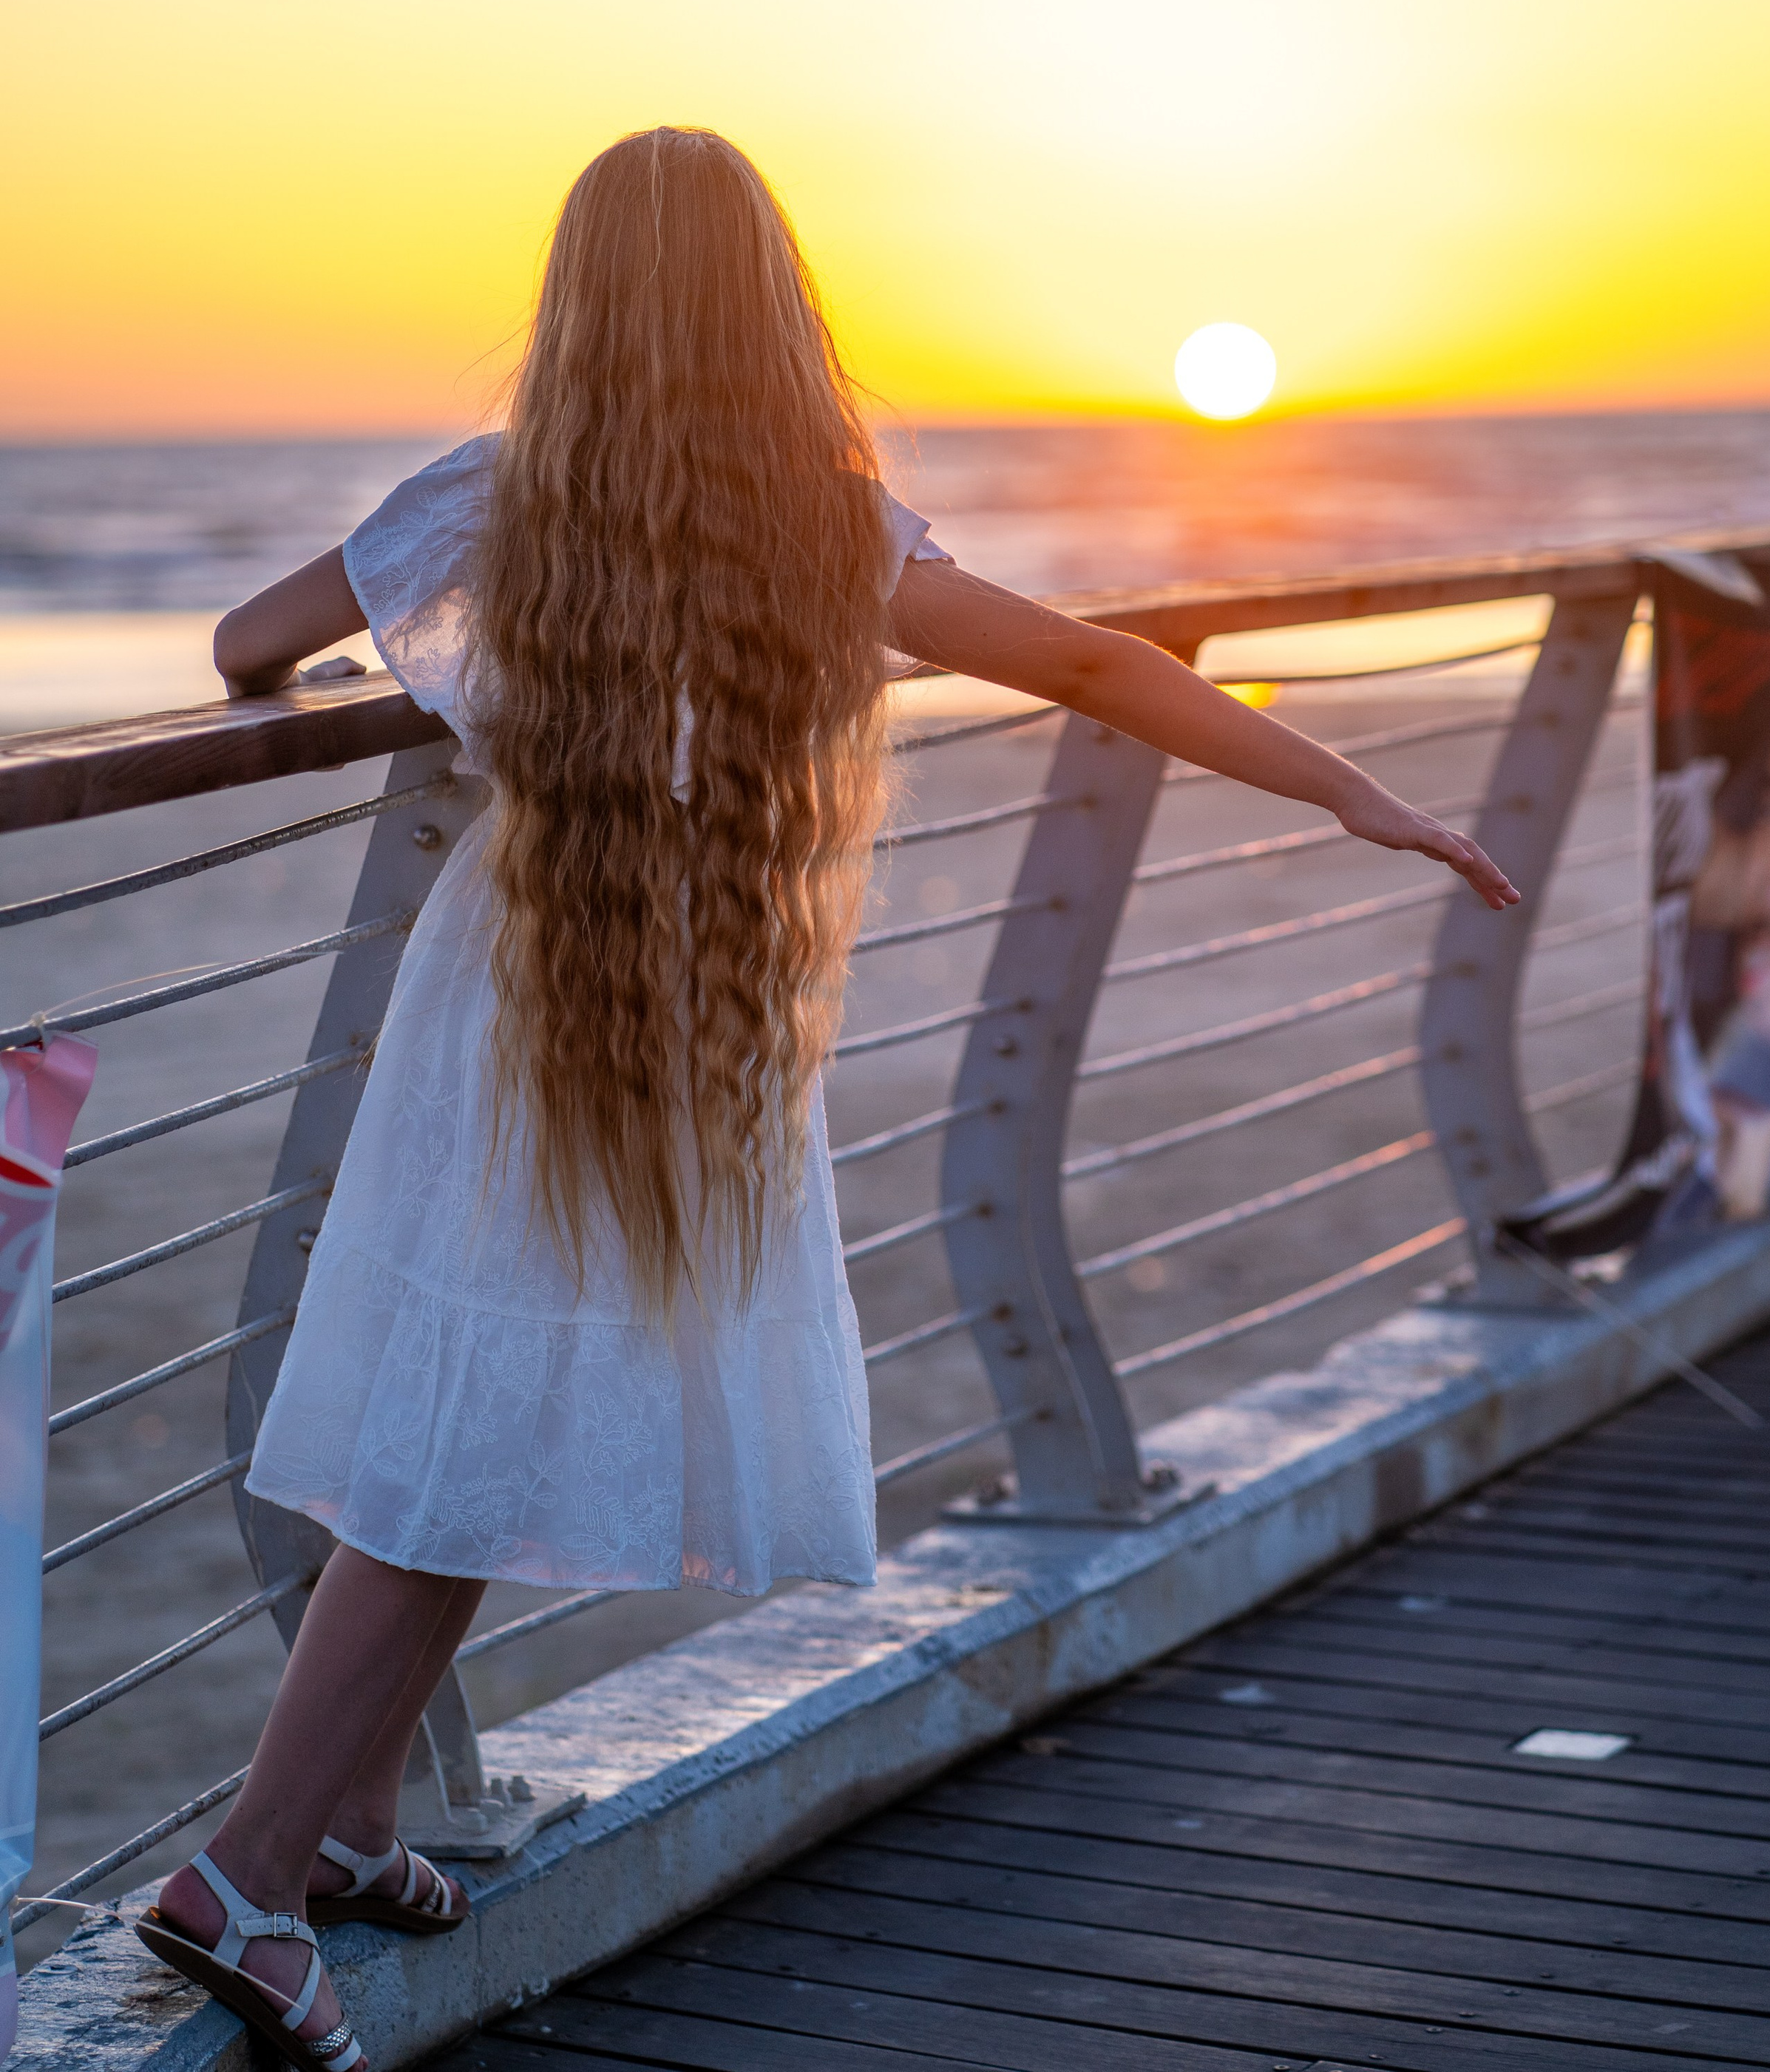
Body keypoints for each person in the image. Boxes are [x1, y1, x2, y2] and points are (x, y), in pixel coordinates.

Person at [132, 129, 1517, 2071]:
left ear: (581, 304)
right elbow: (1085, 658)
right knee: (475, 1429)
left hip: (500, 995)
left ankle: (347, 1830)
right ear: (776, 312)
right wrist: (1347, 788)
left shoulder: (479, 511)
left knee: (472, 1400)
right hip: (685, 1020)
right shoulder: (828, 526)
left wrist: (363, 684)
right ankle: (250, 1875)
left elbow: (241, 647)